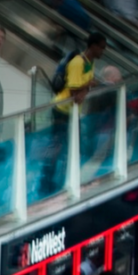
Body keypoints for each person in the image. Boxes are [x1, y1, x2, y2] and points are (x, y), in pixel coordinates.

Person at [42, 32, 107, 196]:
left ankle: (62, 180)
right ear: (92, 46)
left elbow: (82, 88)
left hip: (72, 111)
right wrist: (88, 85)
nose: (103, 51)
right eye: (101, 47)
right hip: (62, 110)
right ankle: (47, 183)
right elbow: (73, 90)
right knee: (57, 146)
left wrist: (86, 87)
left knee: (71, 146)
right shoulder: (78, 63)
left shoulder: (89, 63)